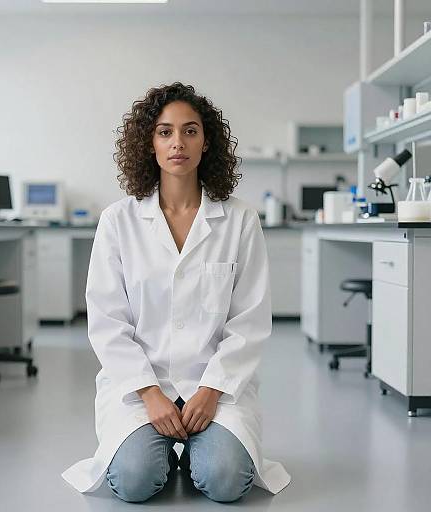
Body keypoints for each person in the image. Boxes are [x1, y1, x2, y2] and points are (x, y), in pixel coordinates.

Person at [62, 82, 290, 502]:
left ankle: (199, 452)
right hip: (140, 387)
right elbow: (107, 320)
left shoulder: (239, 220)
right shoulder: (119, 220)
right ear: (149, 143)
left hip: (217, 387)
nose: (178, 142)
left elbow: (251, 320)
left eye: (190, 130)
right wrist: (150, 393)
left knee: (225, 481)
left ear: (207, 142)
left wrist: (209, 392)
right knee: (133, 482)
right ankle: (158, 451)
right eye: (165, 131)